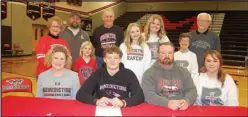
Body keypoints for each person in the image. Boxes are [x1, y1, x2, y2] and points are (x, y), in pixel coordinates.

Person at [76, 46, 144, 107]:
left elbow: (140, 96)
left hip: (122, 110)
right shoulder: (97, 74)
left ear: (120, 60)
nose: (112, 61)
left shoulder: (129, 74)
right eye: (109, 58)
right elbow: (80, 94)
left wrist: (124, 102)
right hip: (101, 109)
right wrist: (96, 101)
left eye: (116, 58)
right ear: (104, 60)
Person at [142, 42, 197, 110]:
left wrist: (187, 101)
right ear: (157, 54)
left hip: (181, 109)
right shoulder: (149, 73)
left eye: (170, 53)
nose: (167, 56)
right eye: (163, 53)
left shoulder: (184, 71)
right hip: (158, 109)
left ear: (174, 54)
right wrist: (167, 103)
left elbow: (192, 90)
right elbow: (148, 95)